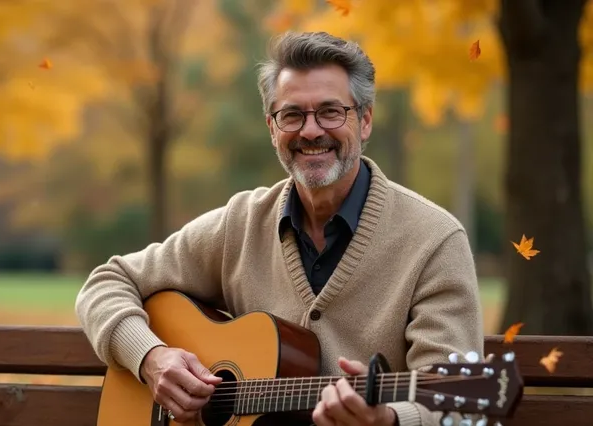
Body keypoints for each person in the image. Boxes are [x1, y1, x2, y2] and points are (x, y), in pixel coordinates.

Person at [76, 31, 483, 426]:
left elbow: (459, 402)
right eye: (292, 115)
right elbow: (107, 282)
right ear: (272, 129)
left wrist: (389, 419)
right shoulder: (241, 222)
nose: (310, 131)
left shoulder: (434, 241)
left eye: (330, 111)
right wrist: (152, 358)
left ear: (364, 121)